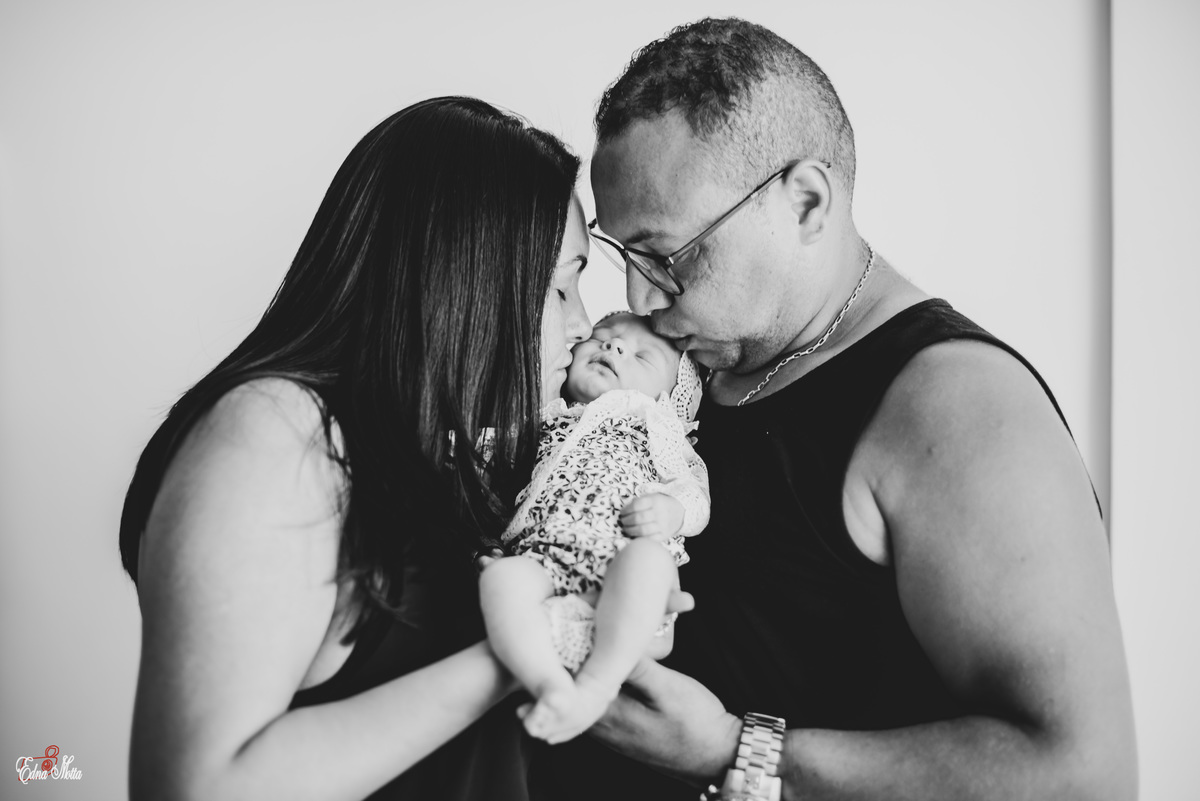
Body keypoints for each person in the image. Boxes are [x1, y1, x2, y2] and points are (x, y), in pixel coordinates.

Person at [538, 17, 1137, 801]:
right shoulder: (687, 359)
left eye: (668, 256)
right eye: (627, 257)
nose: (641, 299)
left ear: (806, 202)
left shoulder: (957, 405)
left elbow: (1084, 775)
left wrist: (733, 750)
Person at [117, 96, 686, 801]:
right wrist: (539, 642)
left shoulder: (443, 447)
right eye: (562, 285)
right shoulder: (273, 431)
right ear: (468, 273)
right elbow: (198, 787)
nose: (582, 324)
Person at [480, 311, 708, 744]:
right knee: (500, 579)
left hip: (623, 573)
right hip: (543, 561)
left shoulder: (657, 427)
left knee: (647, 560)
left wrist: (673, 511)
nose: (614, 346)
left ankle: (595, 687)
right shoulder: (547, 416)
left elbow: (695, 495)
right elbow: (488, 463)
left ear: (673, 401)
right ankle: (548, 683)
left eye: (642, 356)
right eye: (603, 335)